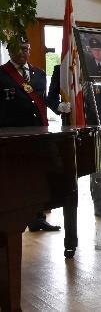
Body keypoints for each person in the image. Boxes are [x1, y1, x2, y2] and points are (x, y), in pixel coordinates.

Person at [0, 38, 60, 231]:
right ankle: (15, 219)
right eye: (19, 48)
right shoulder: (2, 74)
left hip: (38, 133)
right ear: (9, 51)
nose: (24, 52)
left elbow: (41, 101)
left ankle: (38, 218)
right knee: (17, 179)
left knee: (38, 177)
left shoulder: (39, 74)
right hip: (14, 135)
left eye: (27, 48)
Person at [47, 64, 101, 218]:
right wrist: (59, 106)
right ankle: (70, 208)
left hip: (93, 126)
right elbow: (50, 98)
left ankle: (100, 205)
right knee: (71, 170)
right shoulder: (61, 69)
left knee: (96, 169)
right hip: (71, 126)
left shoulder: (94, 68)